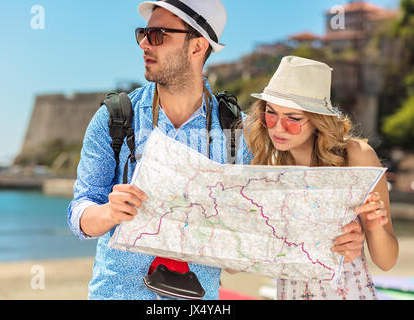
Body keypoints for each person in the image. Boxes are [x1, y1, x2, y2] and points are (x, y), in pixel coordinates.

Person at [67, 0, 249, 300]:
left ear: (197, 46)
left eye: (157, 35)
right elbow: (79, 214)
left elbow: (247, 233)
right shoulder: (116, 116)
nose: (143, 44)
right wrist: (109, 212)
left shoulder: (235, 129)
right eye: (143, 33)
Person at [243, 55, 399, 300]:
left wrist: (372, 226)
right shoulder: (268, 169)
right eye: (271, 114)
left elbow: (387, 261)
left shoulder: (356, 157)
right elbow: (238, 260)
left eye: (293, 119)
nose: (278, 128)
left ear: (318, 120)